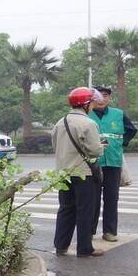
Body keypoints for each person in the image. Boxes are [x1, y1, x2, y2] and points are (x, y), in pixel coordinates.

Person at [51, 87, 106, 257]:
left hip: (63, 173)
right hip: (83, 173)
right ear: (86, 104)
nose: (92, 105)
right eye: (91, 102)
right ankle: (84, 248)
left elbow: (55, 146)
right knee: (85, 211)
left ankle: (61, 246)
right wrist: (101, 147)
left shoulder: (60, 123)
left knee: (66, 209)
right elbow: (95, 151)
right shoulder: (88, 123)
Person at [89, 85, 137, 242]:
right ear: (93, 98)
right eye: (99, 96)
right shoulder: (86, 114)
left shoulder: (118, 114)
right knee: (92, 199)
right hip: (92, 163)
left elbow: (131, 130)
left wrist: (120, 144)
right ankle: (89, 231)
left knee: (111, 198)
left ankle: (109, 232)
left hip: (113, 162)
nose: (102, 99)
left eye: (105, 96)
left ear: (109, 98)